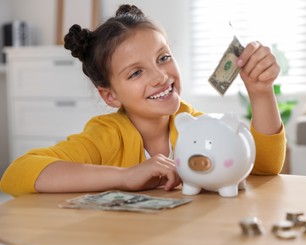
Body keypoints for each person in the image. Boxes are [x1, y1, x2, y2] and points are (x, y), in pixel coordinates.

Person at [0, 4, 286, 197]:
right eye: (136, 72)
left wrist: (260, 92)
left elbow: (262, 167)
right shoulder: (106, 136)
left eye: (163, 58)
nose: (161, 76)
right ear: (110, 95)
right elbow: (17, 174)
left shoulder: (196, 125)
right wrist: (124, 176)